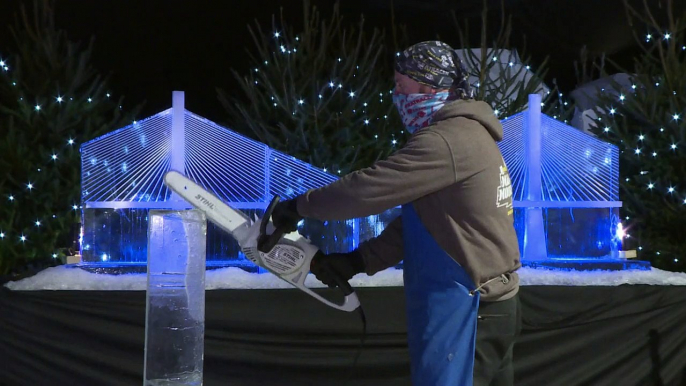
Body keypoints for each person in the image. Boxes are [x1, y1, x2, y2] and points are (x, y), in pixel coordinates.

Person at [271, 40, 522, 386]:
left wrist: (299, 206)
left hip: (471, 312)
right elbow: (426, 224)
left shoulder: (448, 140)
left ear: (428, 86)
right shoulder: (468, 135)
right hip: (491, 307)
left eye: (401, 86)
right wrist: (359, 260)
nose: (396, 95)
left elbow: (368, 189)